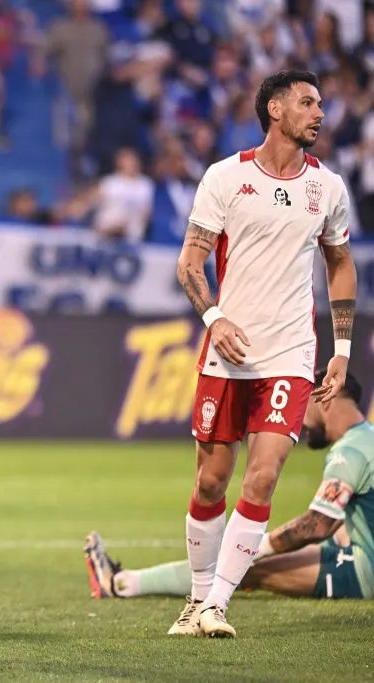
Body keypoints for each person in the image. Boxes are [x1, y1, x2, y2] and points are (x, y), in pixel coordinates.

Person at [173, 69, 357, 637]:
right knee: (211, 482)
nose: (319, 113)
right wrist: (214, 317)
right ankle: (197, 598)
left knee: (264, 475)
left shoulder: (327, 188)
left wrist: (341, 347)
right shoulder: (225, 177)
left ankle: (218, 605)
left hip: (291, 353)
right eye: (307, 103)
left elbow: (340, 263)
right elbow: (190, 262)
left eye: (320, 104)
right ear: (275, 109)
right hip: (228, 349)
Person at [86, 371, 374, 603]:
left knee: (240, 569)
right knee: (242, 562)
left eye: (304, 405)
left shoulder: (349, 453)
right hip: (357, 554)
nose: (300, 420)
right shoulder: (366, 439)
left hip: (364, 571)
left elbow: (317, 525)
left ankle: (120, 584)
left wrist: (254, 549)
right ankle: (125, 582)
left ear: (326, 398)